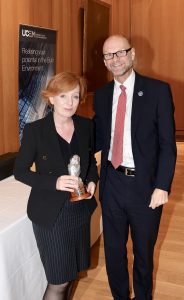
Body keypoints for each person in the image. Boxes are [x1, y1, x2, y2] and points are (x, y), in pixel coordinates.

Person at [93, 35, 176, 300]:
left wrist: (162, 185)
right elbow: (96, 137)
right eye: (108, 55)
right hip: (112, 184)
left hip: (145, 188)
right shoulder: (103, 94)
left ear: (132, 54)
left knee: (143, 253)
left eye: (120, 53)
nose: (115, 59)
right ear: (105, 61)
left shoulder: (158, 91)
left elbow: (167, 144)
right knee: (114, 254)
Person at [14, 71, 99, 300]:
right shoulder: (35, 130)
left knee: (71, 274)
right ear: (50, 98)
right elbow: (19, 172)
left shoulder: (85, 126)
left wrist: (91, 181)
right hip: (51, 215)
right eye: (63, 96)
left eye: (74, 96)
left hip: (79, 211)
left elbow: (90, 163)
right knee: (58, 281)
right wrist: (55, 182)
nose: (69, 103)